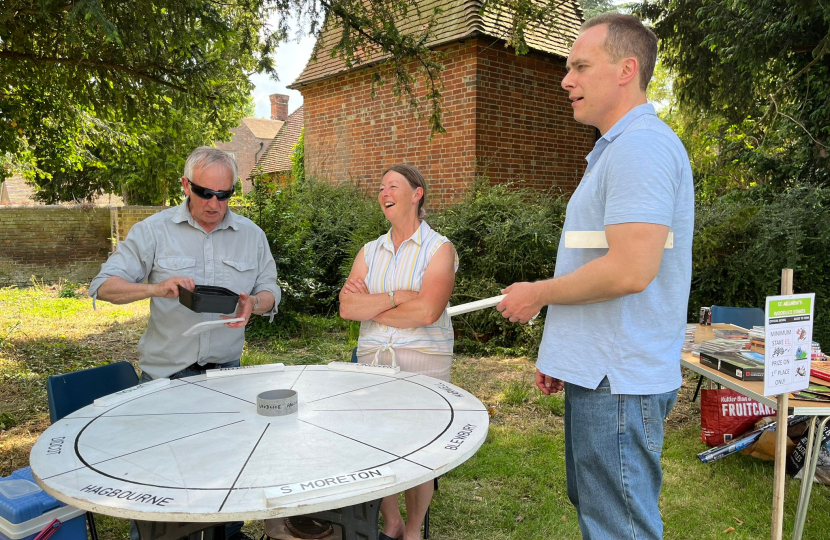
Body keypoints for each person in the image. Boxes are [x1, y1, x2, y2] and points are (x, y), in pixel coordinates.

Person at [496, 13, 694, 540]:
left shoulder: (640, 147)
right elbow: (598, 266)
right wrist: (565, 353)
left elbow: (631, 270)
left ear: (627, 69)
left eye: (581, 66)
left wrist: (538, 295)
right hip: (603, 372)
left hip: (620, 382)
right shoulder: (615, 150)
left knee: (618, 529)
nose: (566, 80)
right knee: (602, 515)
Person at [89, 146, 279, 540]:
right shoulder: (152, 231)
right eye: (205, 193)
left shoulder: (251, 236)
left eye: (224, 195)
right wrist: (156, 287)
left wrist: (254, 304)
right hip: (165, 378)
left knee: (228, 469)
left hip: (226, 378)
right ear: (185, 185)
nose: (214, 204)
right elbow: (103, 287)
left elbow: (270, 290)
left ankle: (224, 534)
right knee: (157, 477)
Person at [339, 164, 457, 540]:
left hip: (424, 361)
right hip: (373, 361)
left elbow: (427, 311)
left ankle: (414, 528)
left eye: (392, 185)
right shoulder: (369, 251)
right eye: (381, 187)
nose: (383, 192)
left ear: (416, 193)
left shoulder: (440, 249)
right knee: (376, 442)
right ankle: (391, 521)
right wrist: (394, 298)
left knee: (418, 447)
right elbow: (346, 308)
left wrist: (371, 305)